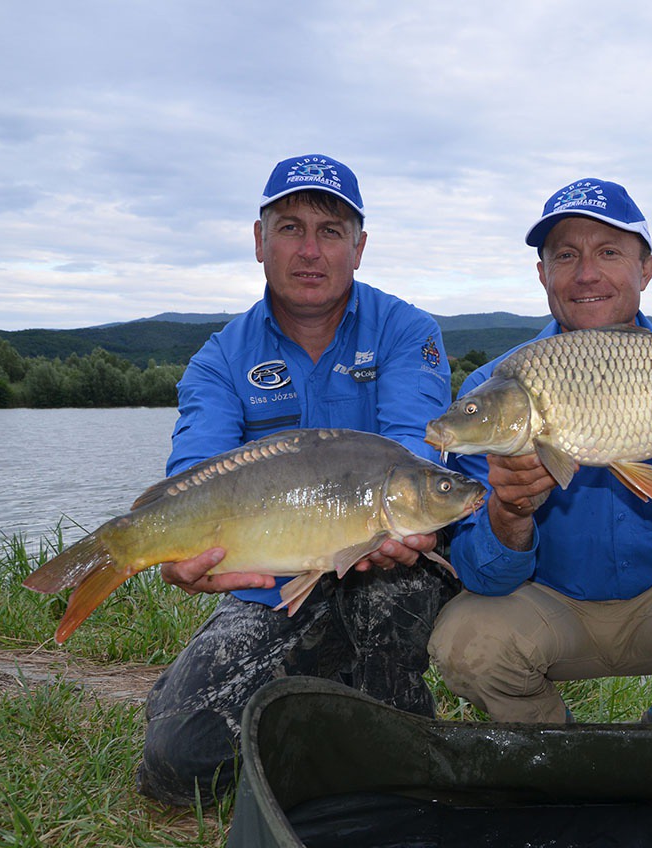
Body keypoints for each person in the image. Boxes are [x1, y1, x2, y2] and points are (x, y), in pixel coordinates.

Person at [135, 154, 453, 806]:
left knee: (388, 601)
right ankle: (252, 690)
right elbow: (195, 478)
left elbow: (413, 456)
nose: (310, 250)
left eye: (331, 232)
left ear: (359, 248)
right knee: (177, 765)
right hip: (273, 582)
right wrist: (175, 551)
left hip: (389, 566)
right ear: (259, 240)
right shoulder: (220, 359)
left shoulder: (405, 331)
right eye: (290, 227)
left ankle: (386, 731)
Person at [427, 178, 652, 723]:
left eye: (609, 252)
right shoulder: (494, 387)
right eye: (566, 256)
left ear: (646, 268)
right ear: (543, 274)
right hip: (549, 605)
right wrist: (509, 514)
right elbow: (483, 578)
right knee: (462, 639)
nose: (586, 273)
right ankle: (569, 763)